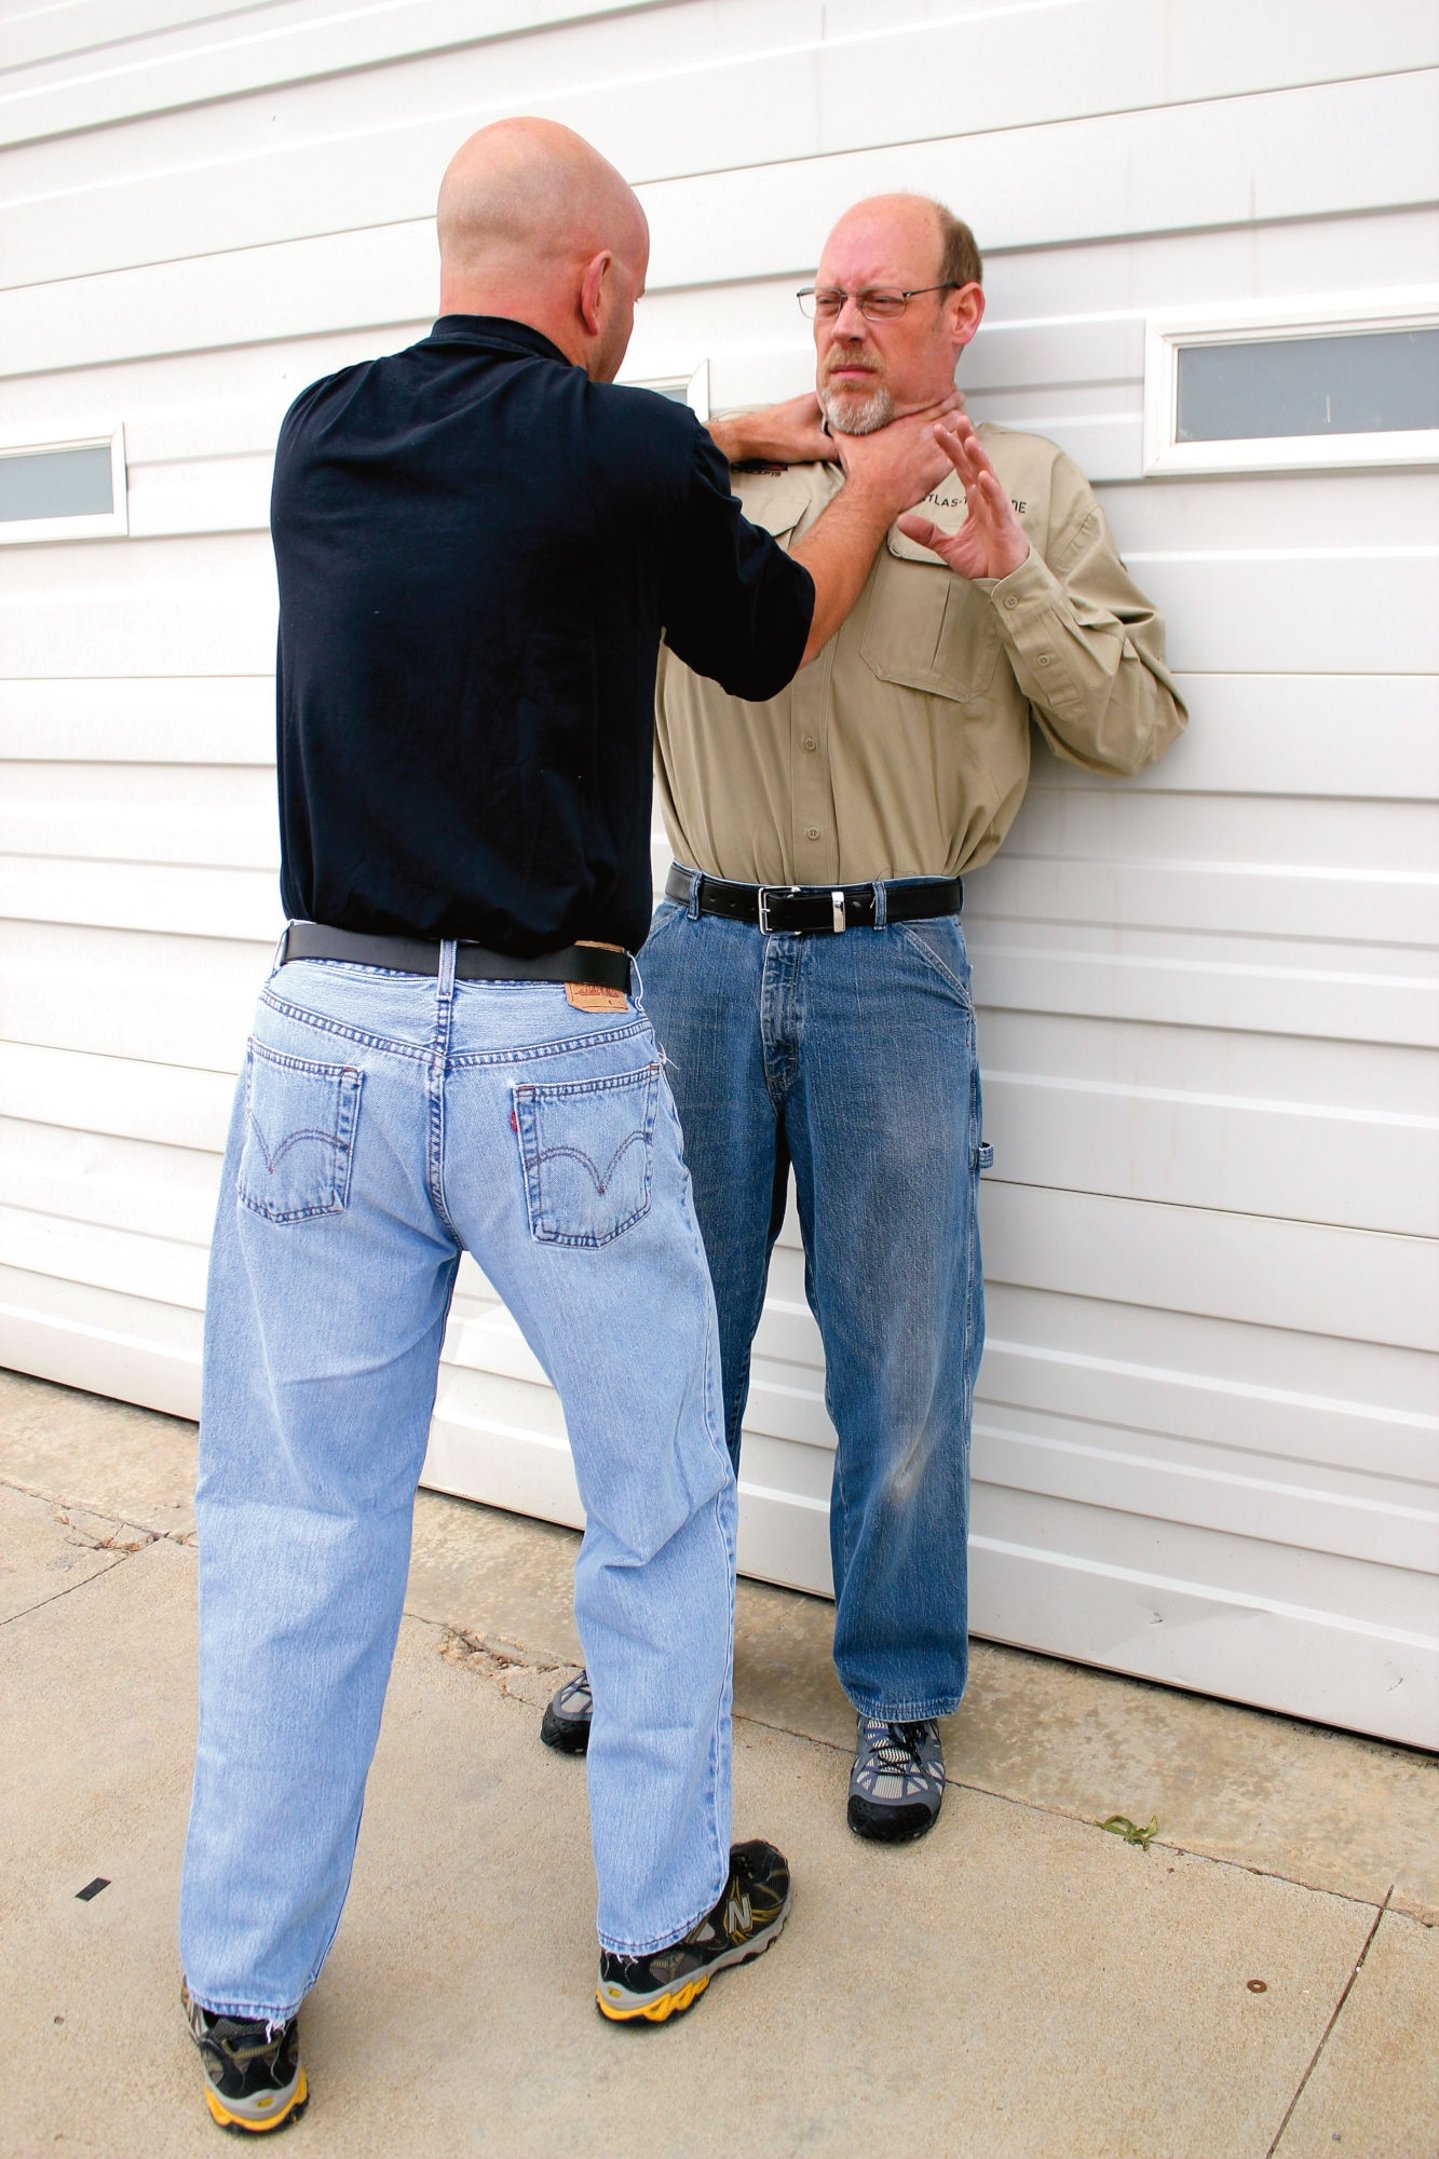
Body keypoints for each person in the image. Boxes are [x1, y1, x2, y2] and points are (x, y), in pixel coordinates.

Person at [177, 127, 955, 2132]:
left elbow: (567, 463)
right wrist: (858, 478)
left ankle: (245, 2006)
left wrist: (722, 426)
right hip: (555, 1048)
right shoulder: (627, 457)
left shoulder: (321, 433)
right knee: (664, 1499)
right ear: (604, 289)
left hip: (324, 1036)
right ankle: (655, 1927)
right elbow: (766, 636)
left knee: (293, 1527)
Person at [541, 191, 1187, 1845]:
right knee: (666, 1342)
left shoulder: (1023, 487)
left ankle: (897, 1693)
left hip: (891, 971)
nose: (843, 324)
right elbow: (545, 486)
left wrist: (1014, 576)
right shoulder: (704, 476)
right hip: (692, 961)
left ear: (959, 317)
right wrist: (751, 434)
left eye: (883, 299)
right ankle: (640, 1644)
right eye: (825, 297)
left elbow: (1134, 722)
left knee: (907, 1360)